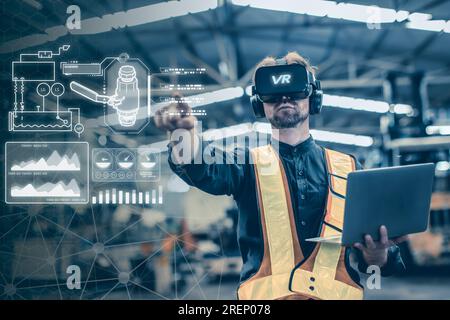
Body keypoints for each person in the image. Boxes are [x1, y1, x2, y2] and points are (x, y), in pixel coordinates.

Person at [154, 51, 406, 300]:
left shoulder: (349, 169)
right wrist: (184, 137)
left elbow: (378, 263)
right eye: (273, 93)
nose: (284, 97)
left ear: (313, 97)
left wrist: (377, 257)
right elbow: (205, 167)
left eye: (295, 90)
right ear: (259, 103)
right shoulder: (246, 164)